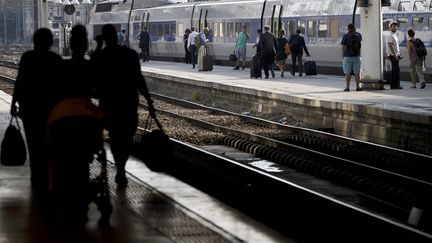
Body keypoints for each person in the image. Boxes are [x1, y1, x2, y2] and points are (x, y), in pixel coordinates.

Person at [48, 24, 102, 224]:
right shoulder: (90, 66)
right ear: (85, 44)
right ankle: (81, 197)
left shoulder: (62, 66)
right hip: (86, 121)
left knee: (61, 160)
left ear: (70, 45)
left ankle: (62, 194)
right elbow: (97, 92)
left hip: (62, 120)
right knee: (84, 158)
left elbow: (53, 92)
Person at [97, 24, 156, 187]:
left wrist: (98, 47)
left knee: (115, 138)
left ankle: (120, 169)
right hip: (129, 103)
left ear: (104, 38)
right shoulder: (129, 54)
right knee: (125, 138)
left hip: (109, 104)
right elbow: (139, 79)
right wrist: (149, 101)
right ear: (117, 36)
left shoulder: (102, 56)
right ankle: (121, 169)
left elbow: (93, 79)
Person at [11, 28, 64, 194]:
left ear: (34, 41)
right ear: (50, 42)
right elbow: (62, 86)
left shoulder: (27, 58)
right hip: (51, 110)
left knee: (34, 144)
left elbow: (20, 81)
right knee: (51, 144)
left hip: (30, 109)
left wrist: (14, 103)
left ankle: (36, 177)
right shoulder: (55, 59)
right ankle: (49, 177)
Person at [341, 23, 362, 92]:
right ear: (354, 28)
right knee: (357, 73)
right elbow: (359, 45)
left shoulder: (346, 36)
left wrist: (343, 56)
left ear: (348, 28)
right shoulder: (359, 35)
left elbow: (343, 47)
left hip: (347, 57)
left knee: (347, 73)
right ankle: (358, 87)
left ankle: (347, 87)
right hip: (357, 56)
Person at [386, 20, 403, 89]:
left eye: (396, 26)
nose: (395, 27)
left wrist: (398, 54)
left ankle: (393, 85)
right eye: (393, 26)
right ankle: (397, 85)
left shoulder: (394, 35)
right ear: (390, 27)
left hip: (395, 55)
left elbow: (395, 46)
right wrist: (395, 55)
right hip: (392, 55)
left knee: (394, 70)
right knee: (397, 70)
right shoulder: (390, 35)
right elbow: (390, 45)